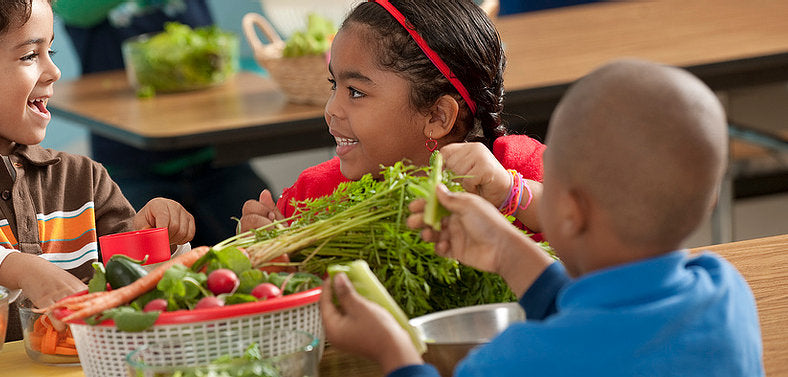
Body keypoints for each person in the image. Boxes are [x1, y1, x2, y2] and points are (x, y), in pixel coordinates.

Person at [320, 59, 765, 376]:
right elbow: (601, 318)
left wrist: (393, 353)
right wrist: (507, 250)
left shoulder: (518, 360)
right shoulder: (726, 293)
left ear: (569, 211)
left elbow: (577, 337)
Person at [0, 0, 196, 340]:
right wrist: (20, 268)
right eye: (29, 55)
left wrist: (159, 243)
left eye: (50, 50)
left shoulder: (85, 179)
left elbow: (139, 297)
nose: (54, 71)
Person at [238, 0, 545, 237]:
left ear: (438, 116)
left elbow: (586, 220)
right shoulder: (312, 198)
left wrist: (512, 194)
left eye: (355, 92)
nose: (331, 108)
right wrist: (265, 255)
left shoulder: (518, 169)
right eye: (335, 86)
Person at [53, 0, 272, 247]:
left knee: (270, 235)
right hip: (131, 166)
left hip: (215, 158)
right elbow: (73, 10)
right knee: (140, 262)